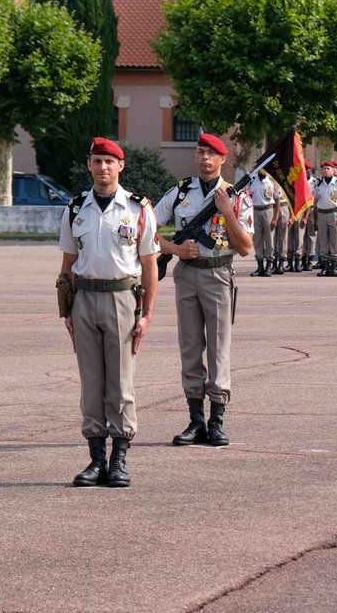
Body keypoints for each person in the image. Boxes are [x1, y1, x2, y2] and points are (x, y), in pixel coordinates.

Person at [58, 138, 160, 488]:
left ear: (121, 166)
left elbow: (150, 267)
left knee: (119, 382)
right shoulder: (75, 209)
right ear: (89, 164)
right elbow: (67, 265)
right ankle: (96, 459)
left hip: (121, 300)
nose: (103, 167)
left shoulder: (138, 209)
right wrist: (66, 311)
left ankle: (119, 459)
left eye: (109, 162)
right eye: (97, 161)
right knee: (91, 382)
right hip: (85, 299)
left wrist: (146, 314)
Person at [155, 133, 251, 448]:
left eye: (212, 154)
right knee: (190, 347)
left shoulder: (237, 196)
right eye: (201, 152)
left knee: (219, 348)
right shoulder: (181, 191)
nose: (205, 158)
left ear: (223, 160)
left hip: (219, 275)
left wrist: (227, 212)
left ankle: (217, 422)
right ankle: (195, 421)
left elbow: (245, 248)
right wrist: (174, 249)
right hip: (186, 275)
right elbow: (146, 228)